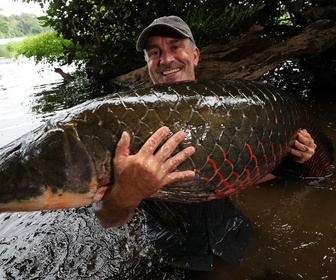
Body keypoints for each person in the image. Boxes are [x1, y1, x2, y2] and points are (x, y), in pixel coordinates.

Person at [93, 16, 316, 270]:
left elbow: (244, 175)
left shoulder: (230, 113)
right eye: (155, 52)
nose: (166, 59)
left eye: (175, 47)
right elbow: (106, 219)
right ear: (148, 64)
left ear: (195, 55)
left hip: (233, 235)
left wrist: (297, 157)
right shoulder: (129, 125)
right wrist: (126, 193)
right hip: (173, 255)